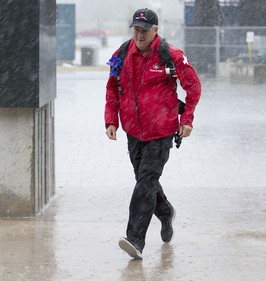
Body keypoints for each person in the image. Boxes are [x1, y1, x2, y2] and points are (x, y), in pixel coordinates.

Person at [105, 8, 201, 260]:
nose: (139, 34)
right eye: (135, 29)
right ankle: (166, 211)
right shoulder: (122, 54)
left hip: (161, 132)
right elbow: (112, 89)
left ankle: (135, 239)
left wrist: (187, 119)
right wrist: (111, 120)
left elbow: (193, 87)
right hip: (134, 132)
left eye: (144, 30)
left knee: (146, 180)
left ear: (155, 31)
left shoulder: (171, 56)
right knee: (145, 182)